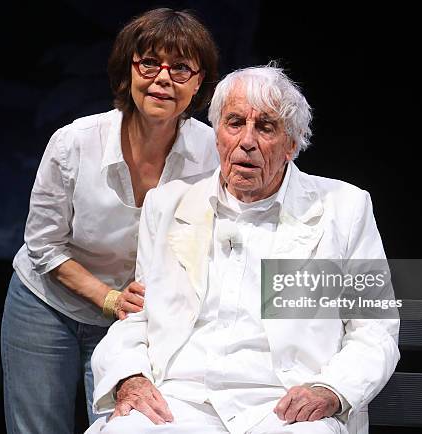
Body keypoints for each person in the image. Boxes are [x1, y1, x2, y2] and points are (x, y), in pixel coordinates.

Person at [86, 65, 400, 434]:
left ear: (292, 145)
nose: (246, 141)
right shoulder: (168, 204)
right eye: (234, 123)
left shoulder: (344, 208)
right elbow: (138, 314)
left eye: (265, 127)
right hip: (182, 400)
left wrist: (331, 389)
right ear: (217, 135)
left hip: (283, 404)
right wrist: (130, 376)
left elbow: (374, 328)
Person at [0, 8, 219, 434]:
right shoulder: (74, 143)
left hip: (137, 321)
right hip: (47, 305)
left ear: (199, 83)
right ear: (128, 71)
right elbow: (44, 246)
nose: (162, 78)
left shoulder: (212, 152)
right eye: (149, 63)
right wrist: (109, 298)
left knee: (123, 428)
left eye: (180, 68)